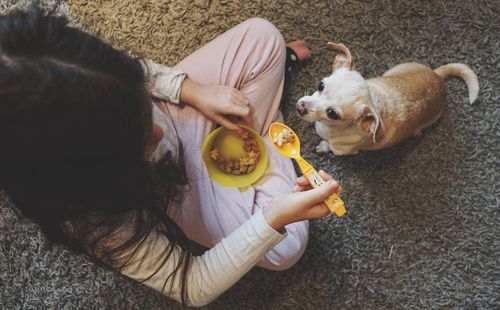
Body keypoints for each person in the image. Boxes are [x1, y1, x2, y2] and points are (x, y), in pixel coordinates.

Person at [0, 6, 341, 307]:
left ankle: (265, 129)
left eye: (139, 105)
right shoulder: (95, 223)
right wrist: (272, 218)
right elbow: (193, 285)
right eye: (138, 139)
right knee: (284, 246)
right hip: (167, 192)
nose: (158, 133)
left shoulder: (61, 65)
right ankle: (268, 130)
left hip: (178, 113)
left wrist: (192, 91)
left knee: (262, 36)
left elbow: (136, 69)